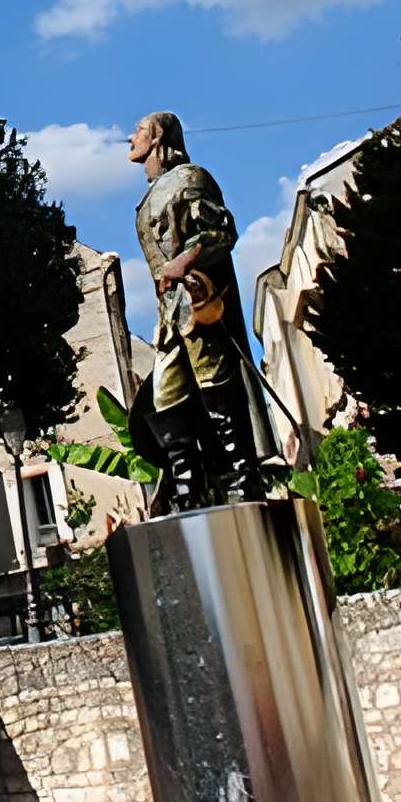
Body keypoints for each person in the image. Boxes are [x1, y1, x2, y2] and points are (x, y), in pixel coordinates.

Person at [127, 110, 279, 512]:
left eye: (139, 131)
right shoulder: (150, 196)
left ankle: (241, 482)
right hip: (170, 317)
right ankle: (186, 492)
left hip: (199, 306)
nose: (131, 138)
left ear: (158, 137)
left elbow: (220, 231)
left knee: (216, 389)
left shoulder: (190, 179)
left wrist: (185, 259)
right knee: (166, 397)